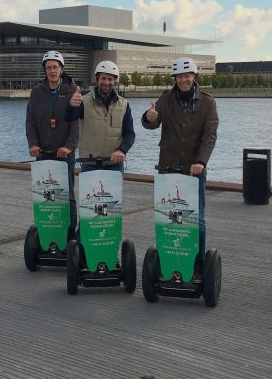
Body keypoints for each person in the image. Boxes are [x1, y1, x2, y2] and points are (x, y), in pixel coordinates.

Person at [142, 57, 218, 261]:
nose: (184, 80)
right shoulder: (166, 99)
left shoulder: (207, 102)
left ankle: (198, 263)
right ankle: (169, 260)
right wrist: (148, 117)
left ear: (194, 77)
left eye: (187, 76)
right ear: (175, 79)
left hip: (194, 170)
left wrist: (201, 162)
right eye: (180, 77)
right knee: (168, 219)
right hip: (168, 167)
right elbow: (152, 120)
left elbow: (210, 135)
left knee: (196, 220)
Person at [26, 51, 79, 233]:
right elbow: (30, 122)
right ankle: (48, 230)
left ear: (61, 69)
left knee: (67, 194)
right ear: (45, 70)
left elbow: (76, 123)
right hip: (43, 153)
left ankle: (71, 231)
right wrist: (32, 144)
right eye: (48, 67)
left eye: (55, 67)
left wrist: (69, 146)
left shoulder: (72, 90)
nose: (52, 71)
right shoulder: (36, 93)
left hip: (64, 154)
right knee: (45, 194)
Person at [66, 60, 135, 173]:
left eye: (110, 79)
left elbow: (129, 133)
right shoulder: (84, 101)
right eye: (103, 78)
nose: (106, 82)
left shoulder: (124, 104)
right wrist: (71, 106)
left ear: (114, 81)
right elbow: (69, 117)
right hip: (90, 163)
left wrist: (122, 150)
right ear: (97, 78)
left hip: (114, 163)